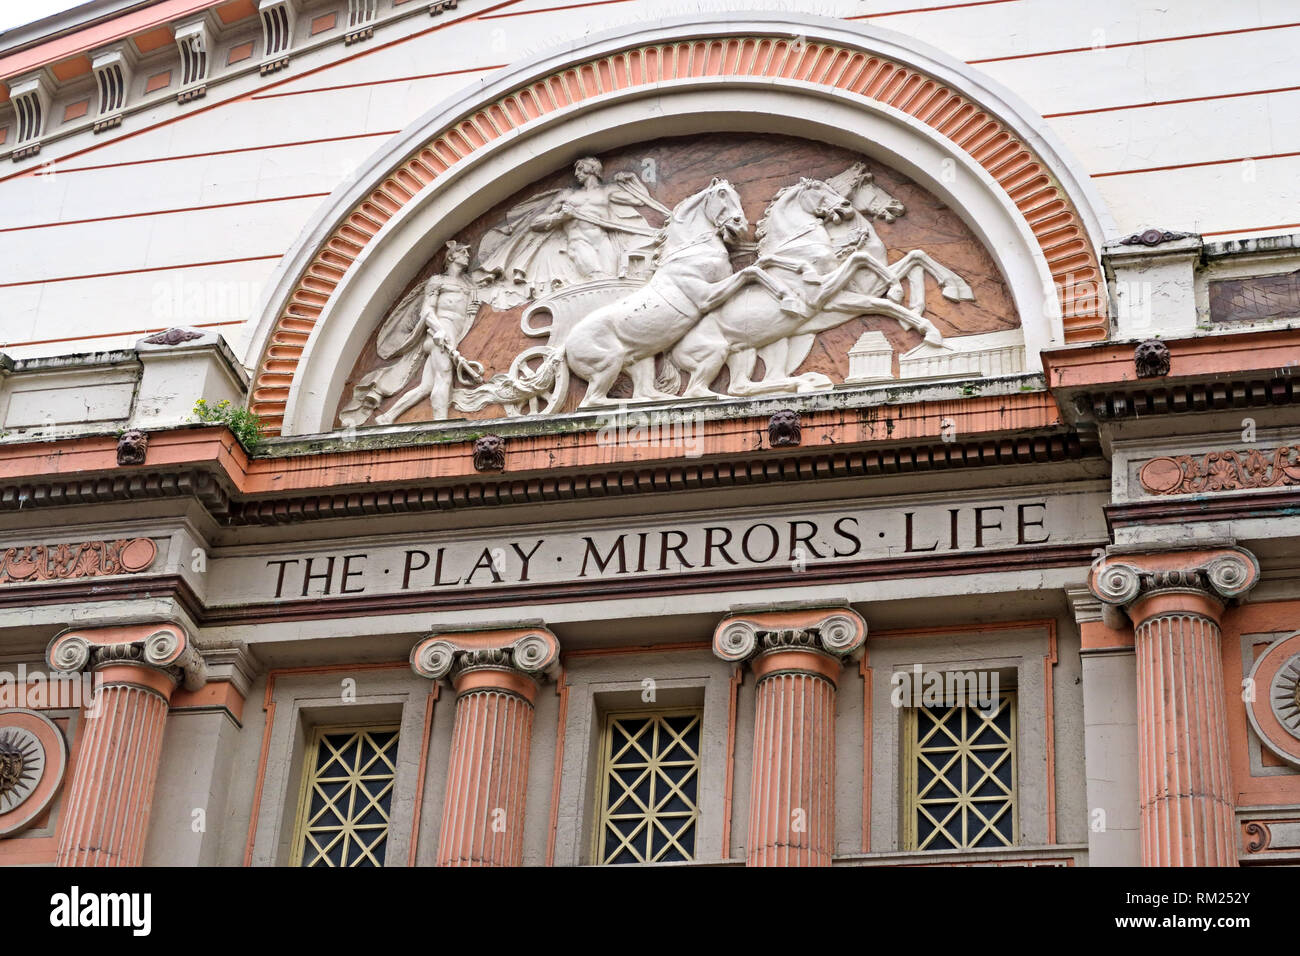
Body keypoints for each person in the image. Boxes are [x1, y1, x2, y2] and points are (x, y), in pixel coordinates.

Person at [473, 156, 668, 308]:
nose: (577, 174)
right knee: (597, 279)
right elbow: (536, 223)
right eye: (576, 170)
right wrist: (560, 217)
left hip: (604, 242)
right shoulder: (567, 195)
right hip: (578, 242)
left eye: (580, 169)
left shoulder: (607, 192)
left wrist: (633, 179)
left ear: (591, 170)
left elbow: (639, 200)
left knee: (612, 285)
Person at [338, 241, 483, 426]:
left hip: (453, 333)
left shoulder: (468, 284)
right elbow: (427, 311)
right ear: (452, 256)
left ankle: (388, 416)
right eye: (463, 252)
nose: (468, 256)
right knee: (445, 376)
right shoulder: (438, 281)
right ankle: (441, 424)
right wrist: (438, 331)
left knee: (426, 387)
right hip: (440, 332)